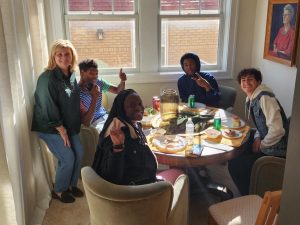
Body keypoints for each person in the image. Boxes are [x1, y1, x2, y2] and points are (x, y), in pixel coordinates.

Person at [92, 89, 183, 185]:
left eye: (140, 103)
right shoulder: (116, 133)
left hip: (144, 181)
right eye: (131, 106)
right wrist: (118, 146)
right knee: (179, 174)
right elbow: (112, 178)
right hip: (135, 192)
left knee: (176, 172)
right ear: (121, 109)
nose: (138, 108)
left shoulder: (133, 124)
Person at [32, 39, 84, 203]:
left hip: (69, 125)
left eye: (67, 54)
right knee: (68, 157)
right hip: (51, 126)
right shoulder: (47, 78)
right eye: (59, 54)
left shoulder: (71, 74)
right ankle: (60, 190)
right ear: (53, 57)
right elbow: (47, 107)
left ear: (72, 56)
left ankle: (71, 185)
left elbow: (72, 97)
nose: (63, 57)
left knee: (80, 153)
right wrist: (62, 130)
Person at [228, 68, 289, 195]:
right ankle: (246, 181)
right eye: (243, 80)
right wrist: (256, 137)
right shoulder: (251, 98)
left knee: (236, 163)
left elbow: (278, 130)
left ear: (258, 82)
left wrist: (261, 144)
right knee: (239, 141)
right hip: (266, 140)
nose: (246, 83)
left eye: (250, 79)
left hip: (276, 149)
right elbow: (261, 126)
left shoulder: (265, 99)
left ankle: (246, 194)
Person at [78, 59, 127, 132]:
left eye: (96, 74)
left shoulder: (99, 82)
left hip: (105, 117)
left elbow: (117, 91)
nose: (95, 77)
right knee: (111, 132)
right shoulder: (76, 94)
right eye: (91, 73)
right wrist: (94, 98)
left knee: (126, 127)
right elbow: (86, 123)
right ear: (82, 73)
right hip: (93, 123)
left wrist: (122, 81)